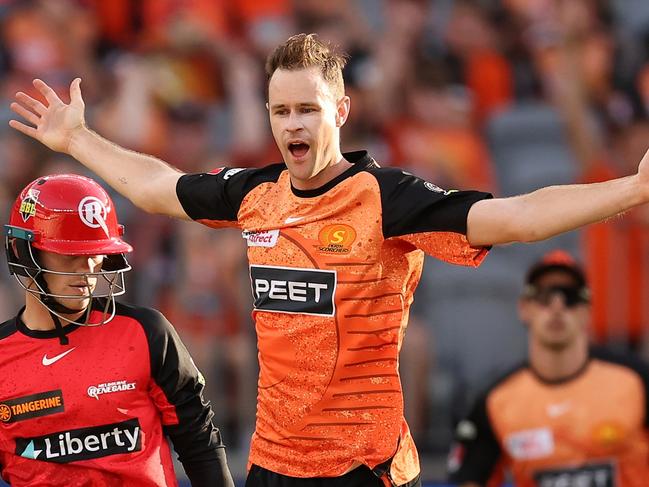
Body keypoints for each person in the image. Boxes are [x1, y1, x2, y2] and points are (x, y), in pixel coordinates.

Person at [8, 32, 649, 486]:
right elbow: (157, 190)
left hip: (365, 468)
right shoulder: (254, 194)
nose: (294, 124)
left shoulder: (385, 198)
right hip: (273, 465)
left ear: (340, 111)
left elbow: (510, 218)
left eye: (308, 109)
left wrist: (631, 190)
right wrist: (77, 140)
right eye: (281, 110)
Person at [0, 174, 235, 487]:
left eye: (95, 252)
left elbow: (200, 442)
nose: (87, 269)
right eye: (70, 254)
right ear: (22, 253)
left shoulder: (147, 333)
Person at [447, 250, 649, 487]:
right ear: (524, 307)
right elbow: (470, 479)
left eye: (570, 296)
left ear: (586, 310)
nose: (557, 306)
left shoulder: (635, 381)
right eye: (543, 295)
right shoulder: (495, 399)